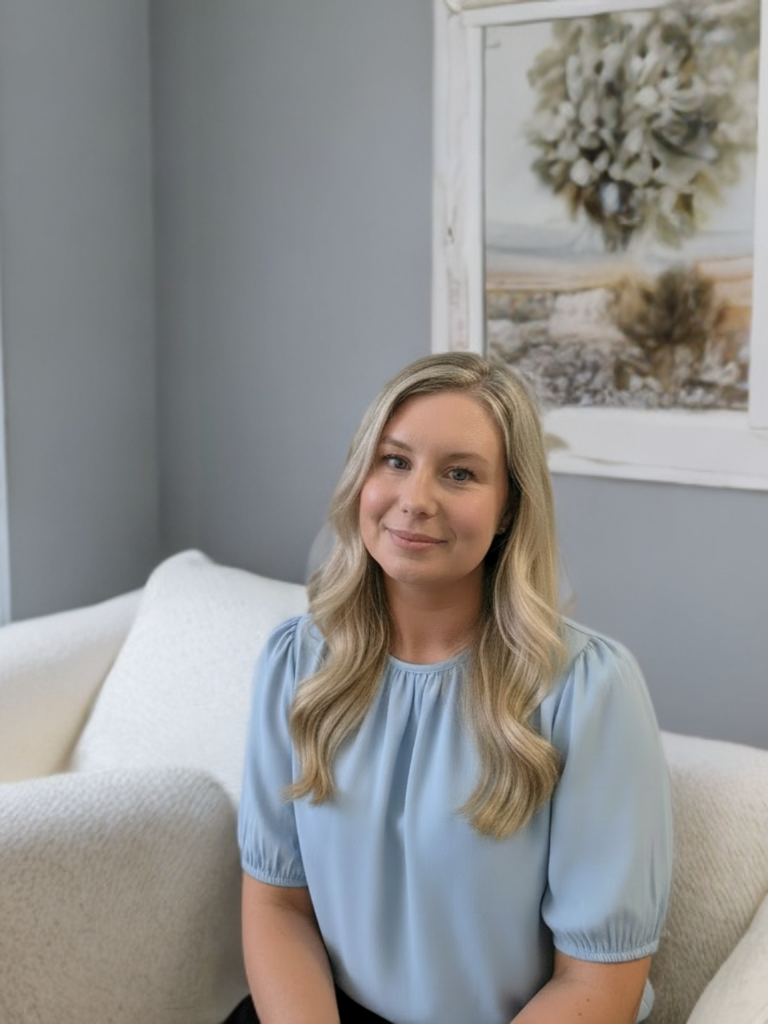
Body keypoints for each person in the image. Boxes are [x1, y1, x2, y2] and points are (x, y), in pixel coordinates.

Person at [235, 352, 673, 1024]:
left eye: (460, 473)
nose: (415, 499)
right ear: (362, 477)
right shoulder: (295, 662)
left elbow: (596, 985)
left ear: (507, 510)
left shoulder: (590, 693)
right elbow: (276, 903)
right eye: (394, 460)